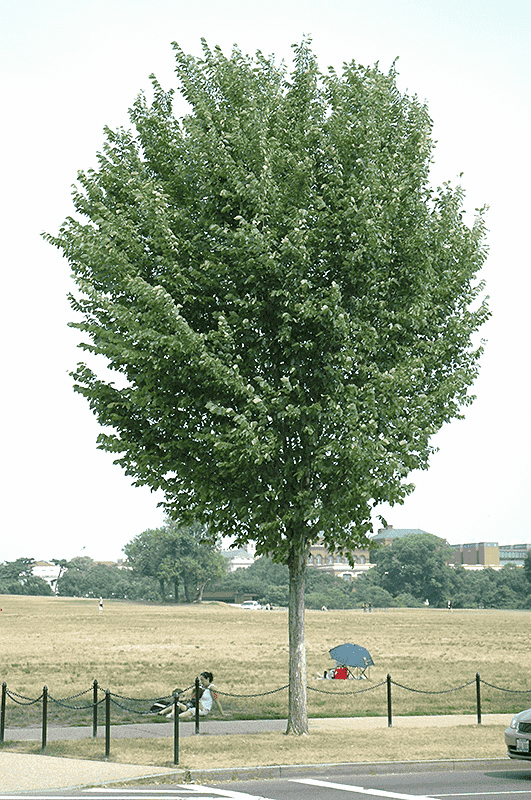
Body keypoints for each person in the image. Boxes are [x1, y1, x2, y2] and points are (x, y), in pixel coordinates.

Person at [159, 671, 228, 719]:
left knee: (193, 710)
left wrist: (222, 713)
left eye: (202, 680)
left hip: (203, 709)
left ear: (208, 679)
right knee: (177, 704)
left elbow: (217, 701)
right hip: (194, 704)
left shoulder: (212, 688)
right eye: (200, 680)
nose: (201, 682)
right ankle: (161, 713)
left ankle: (176, 717)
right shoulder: (200, 687)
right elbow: (193, 697)